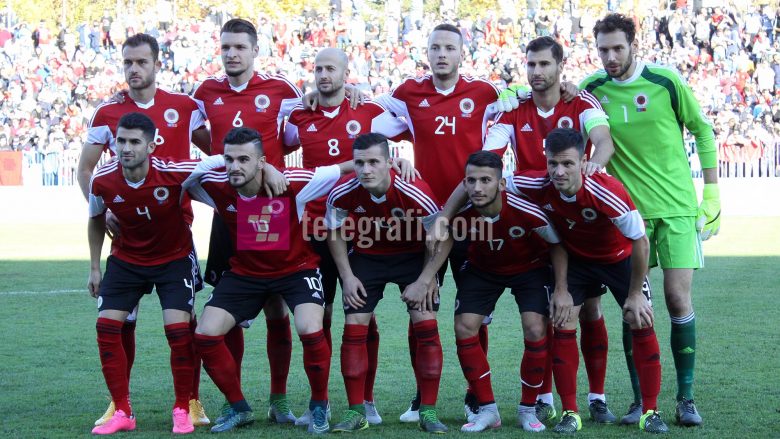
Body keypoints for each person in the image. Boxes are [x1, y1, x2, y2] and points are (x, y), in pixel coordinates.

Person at [580, 13, 719, 426]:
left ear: (633, 44)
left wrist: (711, 191)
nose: (610, 56)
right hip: (627, 217)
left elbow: (703, 130)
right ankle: (642, 401)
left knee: (677, 299)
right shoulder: (592, 90)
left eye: (617, 48)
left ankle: (686, 399)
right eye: (603, 49)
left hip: (676, 209)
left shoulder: (665, 81)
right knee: (633, 306)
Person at [77, 32, 211, 429]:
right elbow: (86, 170)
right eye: (127, 63)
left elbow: (216, 149)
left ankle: (190, 401)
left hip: (175, 229)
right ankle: (119, 405)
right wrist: (108, 207)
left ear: (156, 64)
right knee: (121, 323)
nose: (134, 70)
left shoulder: (184, 107)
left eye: (141, 62)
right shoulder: (106, 113)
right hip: (128, 234)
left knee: (181, 324)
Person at [184, 127, 353, 433]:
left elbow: (344, 167)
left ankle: (319, 404)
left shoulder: (294, 183)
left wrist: (393, 162)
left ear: (261, 161)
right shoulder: (217, 184)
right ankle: (239, 408)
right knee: (205, 334)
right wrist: (229, 162)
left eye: (244, 160)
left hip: (296, 269)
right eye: (229, 159)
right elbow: (188, 174)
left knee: (310, 327)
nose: (235, 167)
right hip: (246, 273)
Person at [373, 22, 501, 422]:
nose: (441, 54)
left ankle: (474, 395)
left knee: (473, 313)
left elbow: (520, 104)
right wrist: (395, 154)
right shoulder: (409, 93)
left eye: (449, 47)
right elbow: (371, 122)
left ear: (462, 53)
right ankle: (421, 395)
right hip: (426, 220)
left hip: (471, 219)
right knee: (422, 307)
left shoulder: (485, 93)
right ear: (426, 53)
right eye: (435, 48)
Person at [488, 35, 616, 425]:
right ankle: (544, 396)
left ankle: (596, 396)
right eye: (531, 65)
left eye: (544, 64)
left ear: (560, 66)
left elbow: (603, 141)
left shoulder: (581, 103)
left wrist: (593, 166)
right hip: (534, 225)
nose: (536, 72)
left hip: (576, 223)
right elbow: (491, 157)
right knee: (545, 313)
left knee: (589, 309)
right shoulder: (513, 108)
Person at [506, 128, 667, 434]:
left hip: (620, 260)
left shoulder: (607, 190)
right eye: (553, 163)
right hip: (576, 261)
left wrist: (635, 293)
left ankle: (650, 411)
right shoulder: (537, 182)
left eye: (567, 163)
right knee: (563, 320)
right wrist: (562, 289)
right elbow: (488, 185)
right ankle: (571, 412)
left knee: (640, 318)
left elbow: (641, 242)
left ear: (583, 161)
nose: (558, 171)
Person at [283, 48, 409, 427]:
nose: (323, 75)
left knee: (361, 316)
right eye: (318, 68)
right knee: (317, 317)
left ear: (345, 73)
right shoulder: (298, 116)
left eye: (331, 69)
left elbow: (409, 123)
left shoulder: (368, 111)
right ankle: (318, 402)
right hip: (313, 230)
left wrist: (401, 157)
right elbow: (272, 140)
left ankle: (366, 400)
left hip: (358, 231)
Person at [191, 18, 302, 424]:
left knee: (275, 306)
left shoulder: (281, 90)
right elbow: (195, 135)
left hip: (270, 209)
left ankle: (279, 399)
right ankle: (231, 399)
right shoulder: (204, 93)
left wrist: (270, 166)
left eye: (239, 46)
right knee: (228, 305)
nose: (232, 53)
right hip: (229, 213)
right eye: (225, 47)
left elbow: (300, 134)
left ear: (256, 50)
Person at [434, 151, 566, 433]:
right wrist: (425, 277)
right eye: (471, 181)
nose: (478, 187)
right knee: (464, 326)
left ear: (501, 184)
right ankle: (487, 410)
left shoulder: (526, 210)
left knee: (535, 329)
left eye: (485, 180)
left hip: (530, 269)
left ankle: (528, 410)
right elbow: (445, 236)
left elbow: (556, 244)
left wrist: (562, 289)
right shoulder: (461, 211)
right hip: (483, 269)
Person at [324, 133, 447, 433]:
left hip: (413, 257)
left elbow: (441, 236)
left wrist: (426, 279)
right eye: (359, 163)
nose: (365, 170)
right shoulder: (342, 191)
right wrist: (347, 276)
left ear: (390, 163)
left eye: (374, 162)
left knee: (425, 322)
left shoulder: (415, 189)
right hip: (367, 256)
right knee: (354, 324)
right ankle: (357, 412)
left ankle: (427, 412)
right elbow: (335, 231)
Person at [87, 112, 200, 435]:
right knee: (106, 327)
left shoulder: (175, 174)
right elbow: (95, 219)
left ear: (151, 145)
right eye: (121, 141)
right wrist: (95, 267)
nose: (126, 147)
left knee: (178, 332)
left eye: (134, 141)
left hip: (174, 259)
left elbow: (217, 172)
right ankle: (122, 410)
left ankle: (182, 408)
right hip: (127, 260)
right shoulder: (103, 179)